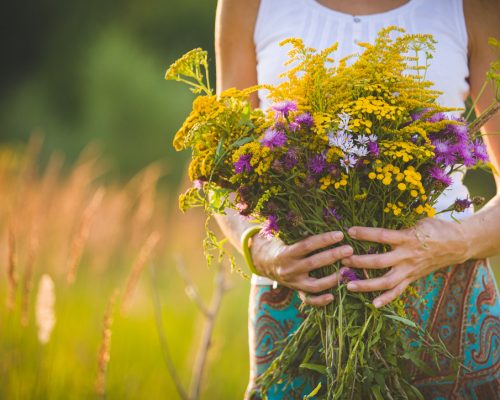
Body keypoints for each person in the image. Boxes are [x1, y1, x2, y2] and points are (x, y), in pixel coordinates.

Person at [214, 0, 500, 398]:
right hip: (295, 297)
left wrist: (448, 242)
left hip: (444, 295)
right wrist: (259, 248)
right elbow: (220, 169)